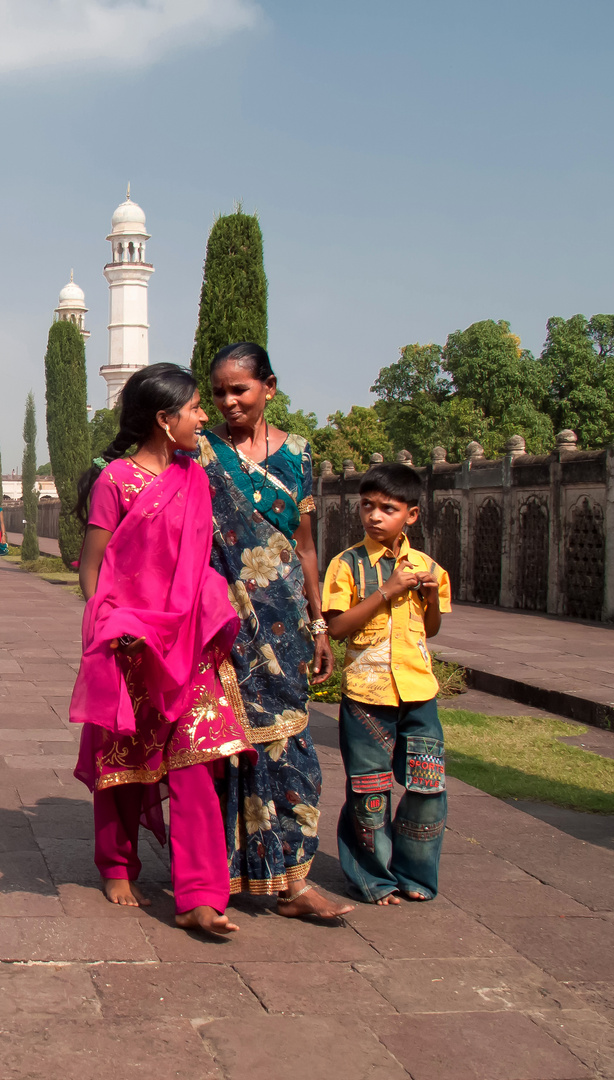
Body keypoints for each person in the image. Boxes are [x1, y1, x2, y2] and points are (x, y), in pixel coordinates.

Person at [72, 362, 251, 933]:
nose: (205, 416)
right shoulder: (116, 481)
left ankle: (200, 895)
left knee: (197, 763)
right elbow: (92, 569)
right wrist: (108, 627)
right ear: (163, 418)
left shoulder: (194, 476)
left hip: (189, 643)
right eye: (196, 407)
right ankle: (117, 865)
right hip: (132, 642)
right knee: (124, 758)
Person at [202, 342, 352, 919]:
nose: (228, 402)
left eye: (239, 389)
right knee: (226, 745)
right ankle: (216, 877)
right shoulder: (203, 453)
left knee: (290, 745)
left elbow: (308, 546)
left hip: (284, 619)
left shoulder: (297, 454)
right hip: (224, 621)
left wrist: (318, 623)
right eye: (218, 393)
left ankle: (292, 880)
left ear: (268, 386)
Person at [324, 463, 452, 905]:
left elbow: (430, 629)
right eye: (367, 506)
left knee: (427, 787)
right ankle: (374, 878)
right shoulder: (347, 565)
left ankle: (415, 874)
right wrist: (388, 591)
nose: (374, 516)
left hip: (419, 692)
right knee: (369, 790)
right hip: (367, 695)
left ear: (411, 515)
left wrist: (430, 596)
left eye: (387, 508)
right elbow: (337, 628)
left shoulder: (429, 566)